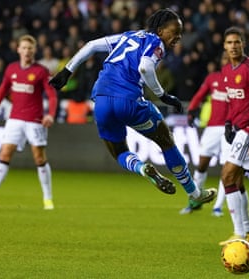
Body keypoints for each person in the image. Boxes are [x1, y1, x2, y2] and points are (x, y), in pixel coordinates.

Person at [49, 8, 216, 206]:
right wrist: (164, 95)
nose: (178, 37)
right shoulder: (156, 43)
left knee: (119, 151)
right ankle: (194, 193)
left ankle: (141, 168)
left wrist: (67, 71)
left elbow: (91, 45)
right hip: (128, 100)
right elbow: (145, 66)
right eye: (175, 32)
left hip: (101, 100)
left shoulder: (127, 36)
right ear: (161, 30)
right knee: (166, 141)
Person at [0, 34, 58, 210]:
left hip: (35, 120)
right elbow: (2, 91)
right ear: (18, 49)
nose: (27, 51)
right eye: (24, 48)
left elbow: (52, 94)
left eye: (30, 48)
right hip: (14, 118)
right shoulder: (11, 69)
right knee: (4, 154)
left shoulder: (41, 71)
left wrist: (51, 114)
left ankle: (48, 199)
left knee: (39, 157)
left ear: (34, 51)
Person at [218, 27, 249, 246]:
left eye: (237, 42)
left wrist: (236, 125)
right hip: (237, 128)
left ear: (243, 43)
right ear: (225, 46)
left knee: (227, 176)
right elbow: (232, 102)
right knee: (236, 179)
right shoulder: (227, 70)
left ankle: (239, 233)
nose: (233, 46)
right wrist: (228, 122)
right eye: (229, 43)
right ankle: (248, 230)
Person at [179, 53, 229, 216]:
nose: (227, 61)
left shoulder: (240, 81)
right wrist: (192, 110)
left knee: (227, 170)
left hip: (231, 128)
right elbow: (199, 95)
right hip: (212, 128)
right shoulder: (213, 78)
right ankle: (194, 201)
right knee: (201, 165)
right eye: (224, 58)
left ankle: (218, 207)